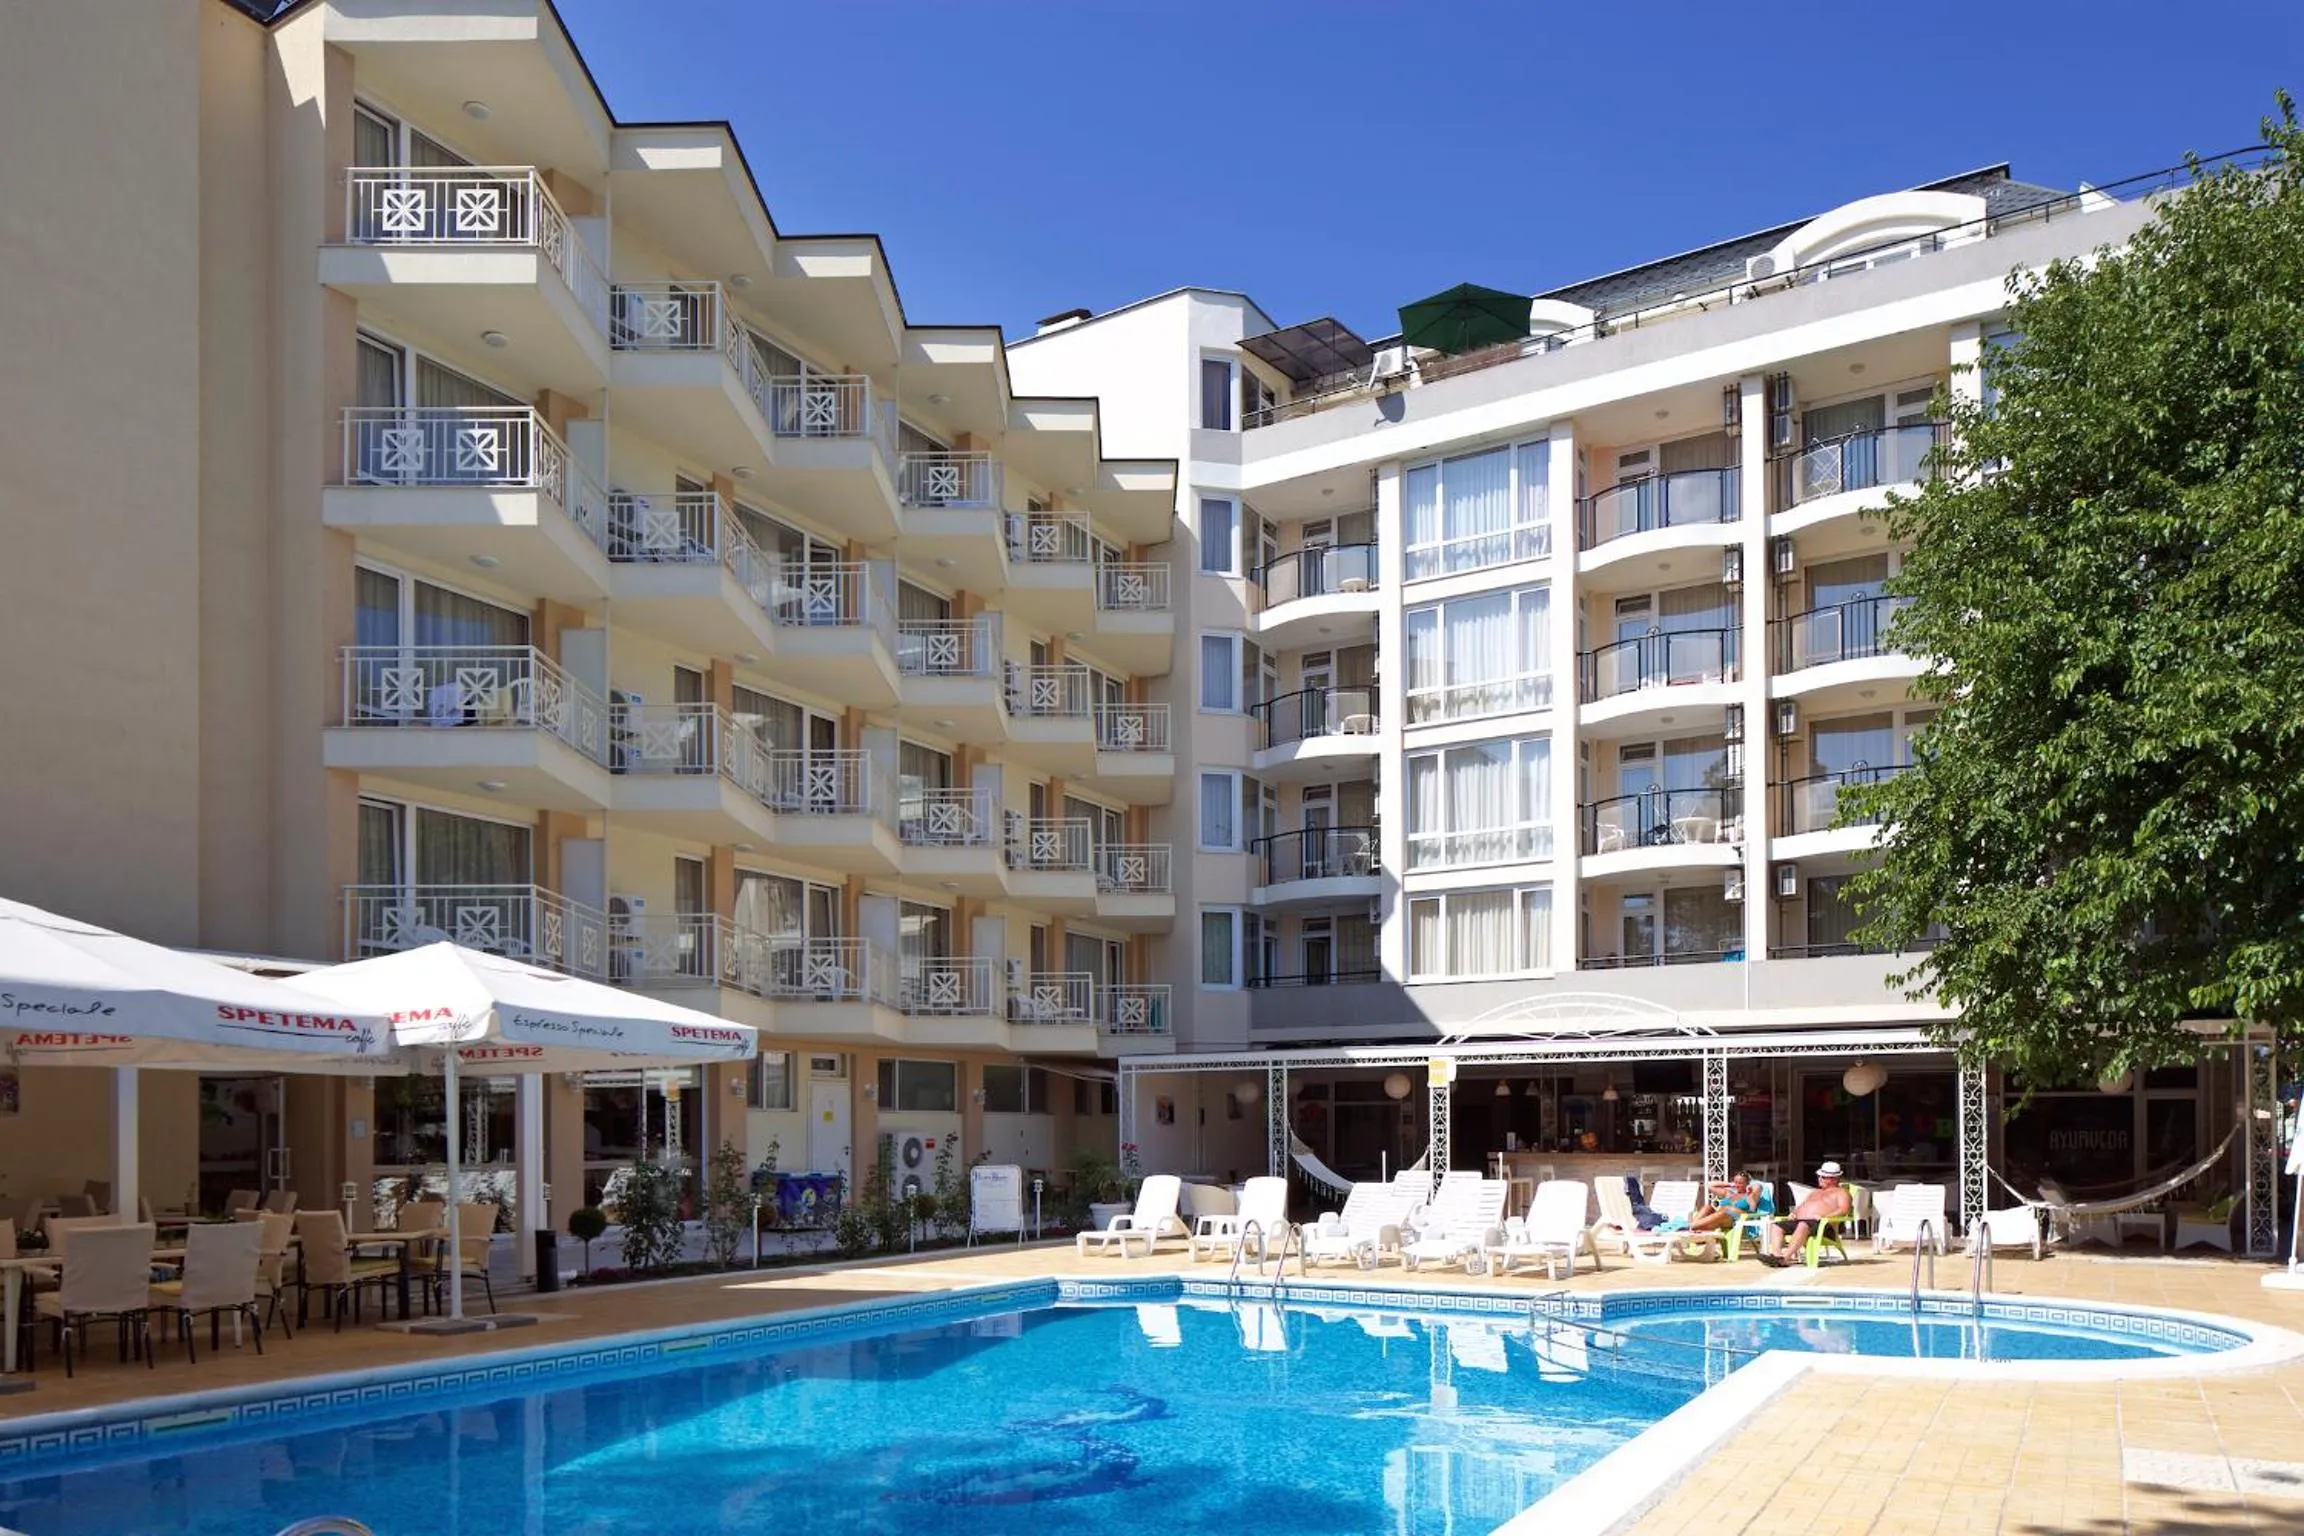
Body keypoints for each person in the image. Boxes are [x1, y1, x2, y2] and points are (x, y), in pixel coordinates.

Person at [1760, 1161, 1852, 1266]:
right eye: (1820, 1176)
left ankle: (1785, 1258)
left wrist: (1825, 1217)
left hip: (1823, 1225)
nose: (1819, 1178)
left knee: (1803, 1225)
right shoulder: (1815, 1192)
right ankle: (1776, 1256)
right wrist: (1794, 1213)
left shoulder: (1841, 1192)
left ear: (1834, 1179)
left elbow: (1844, 1210)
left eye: (1823, 1177)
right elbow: (1801, 1206)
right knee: (1776, 1226)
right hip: (1803, 1222)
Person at [1689, 1170, 1771, 1234]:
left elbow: (1759, 1187)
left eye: (1740, 1183)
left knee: (1726, 1209)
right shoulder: (1729, 1194)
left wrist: (1749, 1186)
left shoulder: (1751, 1195)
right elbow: (1710, 1185)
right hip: (1720, 1217)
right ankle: (1693, 1226)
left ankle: (1690, 1227)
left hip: (1738, 1220)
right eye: (1736, 1182)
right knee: (1708, 1207)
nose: (1737, 1185)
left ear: (1747, 1183)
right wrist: (1730, 1184)